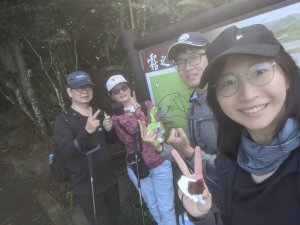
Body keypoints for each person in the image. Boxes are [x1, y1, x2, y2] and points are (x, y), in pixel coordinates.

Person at [172, 24, 300, 225]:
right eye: (228, 82)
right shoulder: (230, 163)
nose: (248, 95)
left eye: (260, 71)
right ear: (218, 100)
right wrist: (202, 217)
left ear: (288, 77)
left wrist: (188, 152)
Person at [139, 31, 219, 223]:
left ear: (211, 57)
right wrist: (158, 147)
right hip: (209, 201)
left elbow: (241, 165)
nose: (187, 67)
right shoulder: (193, 106)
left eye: (194, 57)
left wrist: (190, 153)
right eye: (180, 62)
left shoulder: (227, 101)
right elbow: (187, 157)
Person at [103, 74, 176, 225]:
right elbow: (113, 141)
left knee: (166, 208)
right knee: (153, 206)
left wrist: (140, 115)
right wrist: (108, 130)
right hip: (137, 167)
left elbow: (159, 133)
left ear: (129, 88)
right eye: (116, 91)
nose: (121, 92)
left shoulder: (147, 105)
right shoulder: (114, 119)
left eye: (124, 87)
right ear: (111, 96)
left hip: (159, 162)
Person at [54, 71, 120, 225]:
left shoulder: (99, 112)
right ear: (69, 92)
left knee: (116, 219)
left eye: (88, 88)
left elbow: (110, 141)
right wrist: (86, 132)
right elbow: (66, 153)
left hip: (109, 180)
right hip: (87, 187)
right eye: (79, 88)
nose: (85, 91)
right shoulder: (64, 120)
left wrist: (109, 129)